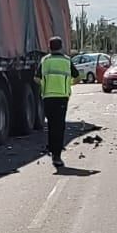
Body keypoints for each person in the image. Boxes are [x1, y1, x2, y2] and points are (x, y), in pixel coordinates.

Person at [38, 36, 74, 169]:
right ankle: (57, 156)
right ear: (61, 47)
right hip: (62, 98)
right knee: (59, 127)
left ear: (49, 47)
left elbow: (36, 78)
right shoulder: (66, 61)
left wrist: (45, 84)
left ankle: (52, 151)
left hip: (47, 97)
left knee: (51, 126)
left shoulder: (44, 61)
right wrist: (67, 85)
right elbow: (76, 76)